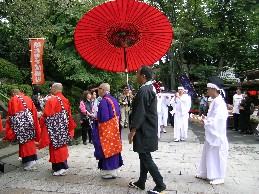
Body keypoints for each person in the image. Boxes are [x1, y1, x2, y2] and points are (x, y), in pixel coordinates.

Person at [128, 66, 166, 194]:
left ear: (143, 76)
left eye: (138, 74)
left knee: (145, 156)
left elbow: (140, 113)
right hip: (147, 128)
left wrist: (133, 130)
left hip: (144, 129)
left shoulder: (145, 91)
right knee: (143, 154)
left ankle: (160, 185)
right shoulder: (148, 89)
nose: (136, 76)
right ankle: (141, 181)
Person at [195, 76, 229, 185]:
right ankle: (206, 173)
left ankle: (219, 176)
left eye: (208, 89)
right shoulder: (214, 101)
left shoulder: (220, 103)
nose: (207, 91)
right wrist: (204, 119)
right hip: (211, 134)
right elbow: (211, 117)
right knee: (208, 154)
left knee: (218, 155)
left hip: (217, 135)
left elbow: (217, 120)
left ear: (214, 89)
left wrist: (205, 122)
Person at [38, 83, 76, 176]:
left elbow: (47, 114)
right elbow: (68, 113)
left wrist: (41, 116)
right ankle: (57, 166)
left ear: (54, 89)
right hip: (63, 126)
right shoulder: (65, 99)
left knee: (56, 147)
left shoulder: (52, 100)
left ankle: (62, 167)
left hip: (54, 128)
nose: (50, 89)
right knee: (61, 145)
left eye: (51, 88)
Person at [2, 89, 41, 170]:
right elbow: (34, 112)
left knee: (25, 143)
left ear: (13, 93)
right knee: (29, 141)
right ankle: (28, 160)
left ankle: (31, 162)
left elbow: (11, 113)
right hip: (30, 123)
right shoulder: (28, 98)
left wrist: (10, 126)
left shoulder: (14, 99)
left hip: (20, 125)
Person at [92, 83, 123, 179]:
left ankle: (108, 171)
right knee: (114, 148)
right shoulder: (113, 99)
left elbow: (103, 118)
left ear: (102, 90)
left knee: (107, 149)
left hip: (106, 130)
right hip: (115, 129)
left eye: (98, 89)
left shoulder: (104, 101)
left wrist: (96, 120)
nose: (97, 91)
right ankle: (115, 169)